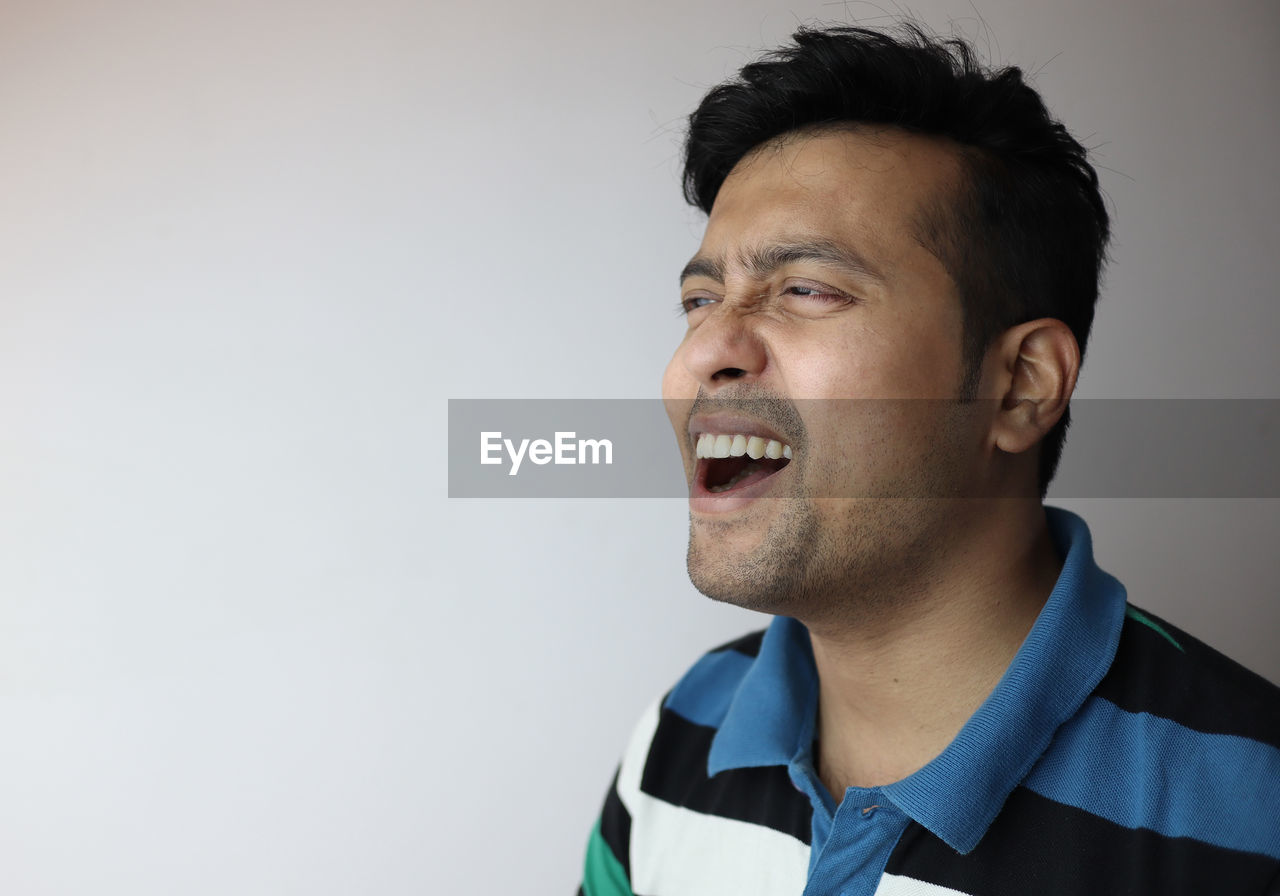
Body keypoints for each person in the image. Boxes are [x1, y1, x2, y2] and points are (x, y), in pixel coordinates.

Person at [577, 23, 1280, 896]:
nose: (702, 353)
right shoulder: (676, 738)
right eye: (700, 298)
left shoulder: (1258, 815)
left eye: (806, 289)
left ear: (1022, 384)